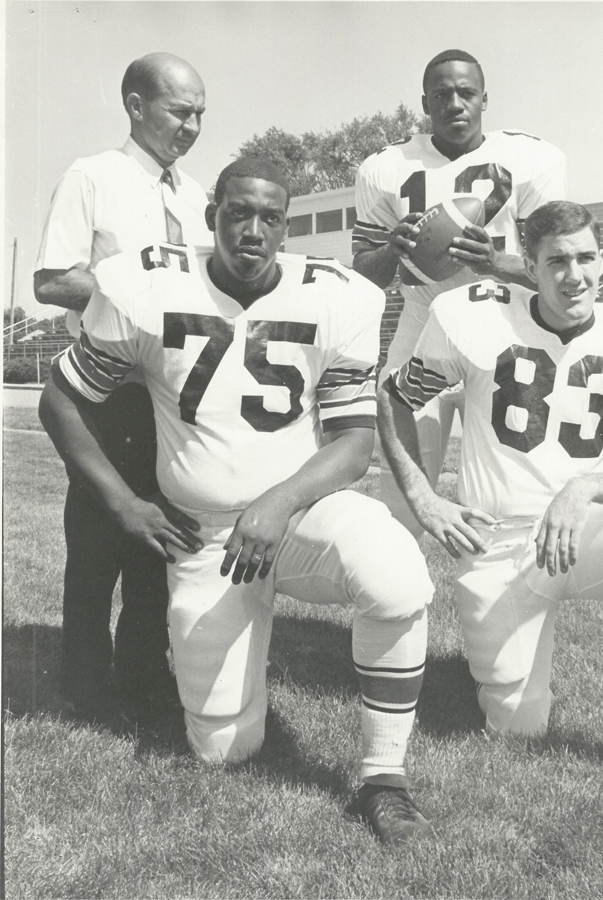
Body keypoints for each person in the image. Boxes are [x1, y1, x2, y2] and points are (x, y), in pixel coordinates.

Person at [39, 157, 436, 846]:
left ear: (287, 226)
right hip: (207, 538)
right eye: (237, 213)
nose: (252, 230)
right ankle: (241, 666)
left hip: (303, 515)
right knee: (223, 748)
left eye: (270, 217)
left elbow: (350, 442)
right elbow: (61, 401)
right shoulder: (146, 287)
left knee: (397, 578)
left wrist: (277, 505)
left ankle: (384, 779)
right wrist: (126, 504)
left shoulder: (338, 297)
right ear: (210, 215)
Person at [377, 201, 603, 813]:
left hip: (582, 531)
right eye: (556, 260)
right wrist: (423, 497)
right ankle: (499, 669)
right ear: (528, 265)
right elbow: (395, 397)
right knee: (517, 727)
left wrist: (584, 488)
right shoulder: (467, 317)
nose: (574, 275)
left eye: (586, 258)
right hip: (497, 543)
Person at [34, 53, 212, 726]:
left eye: (200, 113)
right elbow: (51, 280)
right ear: (136, 106)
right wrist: (137, 293)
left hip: (176, 396)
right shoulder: (94, 177)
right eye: (179, 111)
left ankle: (143, 673)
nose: (192, 125)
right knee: (98, 540)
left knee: (160, 545)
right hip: (109, 390)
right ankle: (82, 684)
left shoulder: (196, 199)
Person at [353, 49, 567, 537]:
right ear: (424, 102)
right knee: (403, 477)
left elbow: (555, 269)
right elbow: (365, 277)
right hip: (422, 317)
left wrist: (495, 262)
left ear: (485, 99)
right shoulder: (385, 167)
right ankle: (399, 590)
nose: (455, 103)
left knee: (511, 477)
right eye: (442, 94)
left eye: (466, 93)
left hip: (503, 323)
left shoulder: (532, 159)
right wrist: (393, 248)